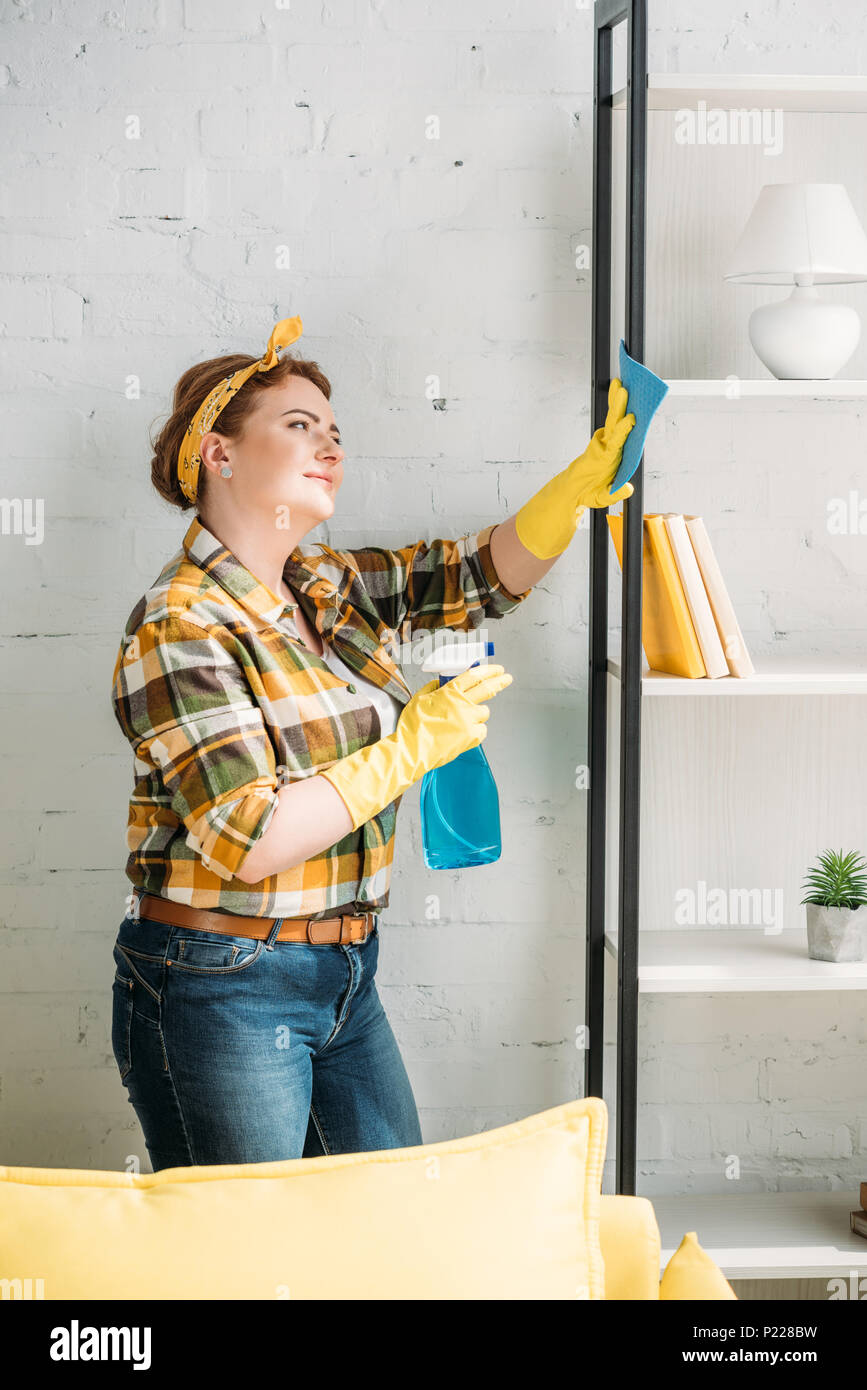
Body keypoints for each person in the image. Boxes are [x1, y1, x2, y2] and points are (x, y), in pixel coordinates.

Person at [109, 314, 634, 1171]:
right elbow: (249, 838)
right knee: (249, 1260)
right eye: (298, 425)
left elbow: (476, 577)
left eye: (336, 432)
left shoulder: (326, 585)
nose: (330, 446)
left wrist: (576, 485)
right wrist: (406, 750)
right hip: (219, 982)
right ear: (219, 454)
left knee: (384, 1236)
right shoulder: (181, 620)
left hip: (347, 974)